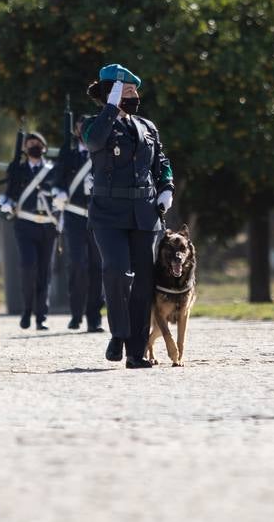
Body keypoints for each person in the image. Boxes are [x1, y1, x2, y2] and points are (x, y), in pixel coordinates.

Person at [82, 63, 174, 368]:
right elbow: (94, 142)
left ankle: (136, 352)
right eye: (128, 90)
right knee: (117, 272)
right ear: (114, 93)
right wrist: (110, 109)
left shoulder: (147, 127)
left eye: (135, 90)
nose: (135, 96)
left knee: (143, 283)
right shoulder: (94, 124)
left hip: (144, 213)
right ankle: (118, 334)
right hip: (108, 214)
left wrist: (166, 187)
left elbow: (161, 161)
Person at [0, 131, 58, 330]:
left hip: (48, 226)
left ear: (44, 147)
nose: (34, 145)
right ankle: (26, 310)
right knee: (28, 268)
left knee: (45, 272)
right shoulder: (17, 168)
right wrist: (6, 203)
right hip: (25, 224)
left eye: (37, 142)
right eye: (30, 143)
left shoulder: (52, 169)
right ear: (24, 148)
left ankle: (41, 316)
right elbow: (9, 193)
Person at [52, 119, 104, 331]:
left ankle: (94, 317)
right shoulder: (69, 153)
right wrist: (59, 193)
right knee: (78, 266)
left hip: (97, 216)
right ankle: (76, 313)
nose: (83, 131)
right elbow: (57, 179)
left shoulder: (101, 150)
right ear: (75, 131)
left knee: (97, 267)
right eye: (80, 128)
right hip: (74, 216)